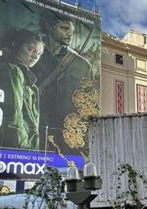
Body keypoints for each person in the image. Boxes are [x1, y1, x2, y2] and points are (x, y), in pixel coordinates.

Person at [32, 15, 92, 150]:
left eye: (72, 30)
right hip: (33, 129)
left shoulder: (82, 65)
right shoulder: (30, 54)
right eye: (64, 28)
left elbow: (87, 106)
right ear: (49, 27)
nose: (70, 33)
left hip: (66, 136)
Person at [0, 28, 45, 149]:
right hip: (20, 149)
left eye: (39, 54)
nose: (35, 57)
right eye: (31, 50)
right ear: (15, 45)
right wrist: (22, 153)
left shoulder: (24, 76)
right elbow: (12, 118)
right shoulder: (13, 72)